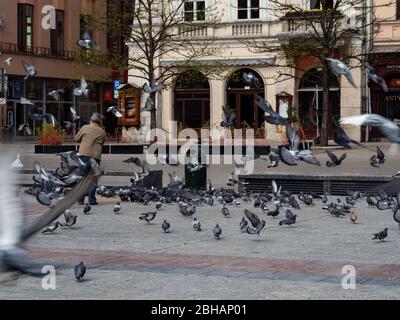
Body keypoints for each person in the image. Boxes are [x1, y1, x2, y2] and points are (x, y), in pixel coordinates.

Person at [74, 112, 106, 205]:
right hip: (96, 156)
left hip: (84, 154)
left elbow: (76, 138)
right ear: (99, 122)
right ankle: (92, 200)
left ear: (91, 120)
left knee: (82, 177)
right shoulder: (102, 131)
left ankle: (80, 199)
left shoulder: (85, 127)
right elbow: (103, 142)